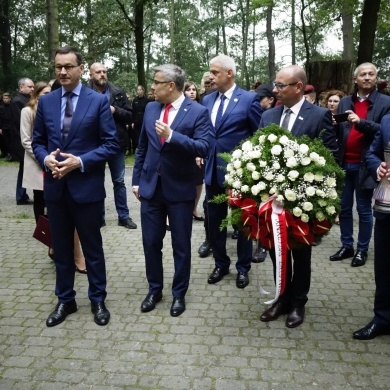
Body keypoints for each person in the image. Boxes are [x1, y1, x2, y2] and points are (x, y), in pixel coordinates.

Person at [32, 45, 120, 327]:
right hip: (56, 190)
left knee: (93, 249)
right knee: (61, 249)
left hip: (87, 189)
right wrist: (45, 158)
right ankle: (65, 300)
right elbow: (37, 141)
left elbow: (111, 144)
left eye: (68, 66)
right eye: (58, 66)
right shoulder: (46, 102)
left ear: (81, 69)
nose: (62, 71)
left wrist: (79, 162)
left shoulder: (97, 102)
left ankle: (97, 299)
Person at [258, 64, 339, 328]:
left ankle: (297, 303)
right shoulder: (269, 116)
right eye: (276, 84)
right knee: (276, 251)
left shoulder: (319, 116)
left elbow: (330, 159)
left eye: (281, 85)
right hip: (273, 202)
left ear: (299, 87)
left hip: (303, 200)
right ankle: (281, 298)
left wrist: (301, 187)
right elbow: (258, 154)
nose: (275, 90)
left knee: (301, 255)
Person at [132, 64, 210, 317]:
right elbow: (142, 147)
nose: (152, 87)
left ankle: (179, 294)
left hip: (180, 190)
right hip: (151, 190)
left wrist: (173, 135)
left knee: (181, 245)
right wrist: (136, 180)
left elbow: (204, 147)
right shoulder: (151, 108)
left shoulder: (198, 111)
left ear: (171, 86)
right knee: (151, 242)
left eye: (156, 82)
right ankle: (155, 290)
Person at [202, 54, 263, 289]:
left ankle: (243, 267)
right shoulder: (207, 101)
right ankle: (220, 263)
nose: (210, 76)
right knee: (215, 222)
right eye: (210, 71)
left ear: (229, 73)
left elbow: (258, 136)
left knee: (242, 222)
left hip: (239, 174)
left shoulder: (249, 99)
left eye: (215, 72)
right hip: (212, 172)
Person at [329, 63, 390, 267]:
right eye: (362, 74)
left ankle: (362, 250)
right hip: (345, 162)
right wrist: (334, 124)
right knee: (344, 208)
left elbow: (385, 131)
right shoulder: (346, 100)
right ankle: (347, 245)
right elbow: (340, 133)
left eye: (371, 74)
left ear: (376, 78)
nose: (366, 77)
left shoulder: (385, 102)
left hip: (367, 164)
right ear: (355, 79)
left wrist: (360, 122)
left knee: (363, 209)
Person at [353, 114, 390, 340]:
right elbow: (372, 153)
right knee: (384, 264)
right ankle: (383, 318)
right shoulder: (387, 120)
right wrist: (378, 168)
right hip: (387, 204)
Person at [89, 62, 137, 229]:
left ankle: (123, 216)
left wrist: (115, 110)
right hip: (95, 145)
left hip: (116, 144)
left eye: (104, 71)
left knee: (119, 182)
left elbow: (131, 116)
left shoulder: (117, 93)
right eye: (98, 72)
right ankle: (98, 217)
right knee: (96, 181)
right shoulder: (85, 93)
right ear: (90, 75)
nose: (102, 74)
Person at [20, 82, 51, 223]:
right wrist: (41, 157)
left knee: (52, 196)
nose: (48, 96)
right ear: (37, 94)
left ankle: (54, 227)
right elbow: (26, 140)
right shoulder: (27, 111)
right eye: (45, 93)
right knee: (39, 196)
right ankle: (41, 228)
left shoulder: (52, 110)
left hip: (52, 159)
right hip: (36, 159)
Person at [10, 77, 35, 205]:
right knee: (23, 168)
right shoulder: (17, 101)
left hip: (22, 140)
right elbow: (22, 122)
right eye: (30, 86)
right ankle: (20, 196)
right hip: (20, 141)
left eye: (33, 86)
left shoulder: (24, 100)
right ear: (21, 87)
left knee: (24, 168)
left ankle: (22, 194)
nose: (32, 88)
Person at [184, 81, 204, 222]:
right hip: (183, 151)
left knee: (198, 181)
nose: (192, 92)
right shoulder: (177, 108)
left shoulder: (200, 109)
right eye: (188, 89)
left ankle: (194, 208)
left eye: (194, 89)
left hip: (197, 150)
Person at [131, 85, 150, 154]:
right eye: (138, 90)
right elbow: (132, 111)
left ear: (143, 91)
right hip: (136, 120)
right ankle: (136, 149)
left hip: (143, 119)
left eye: (140, 90)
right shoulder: (135, 100)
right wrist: (132, 122)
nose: (139, 91)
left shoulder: (147, 100)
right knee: (136, 135)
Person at [0, 92, 13, 160]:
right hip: (4, 127)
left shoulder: (13, 106)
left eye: (6, 98)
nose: (5, 99)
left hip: (11, 127)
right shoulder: (1, 108)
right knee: (5, 142)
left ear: (10, 99)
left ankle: (11, 154)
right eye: (4, 98)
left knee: (11, 142)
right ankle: (6, 153)